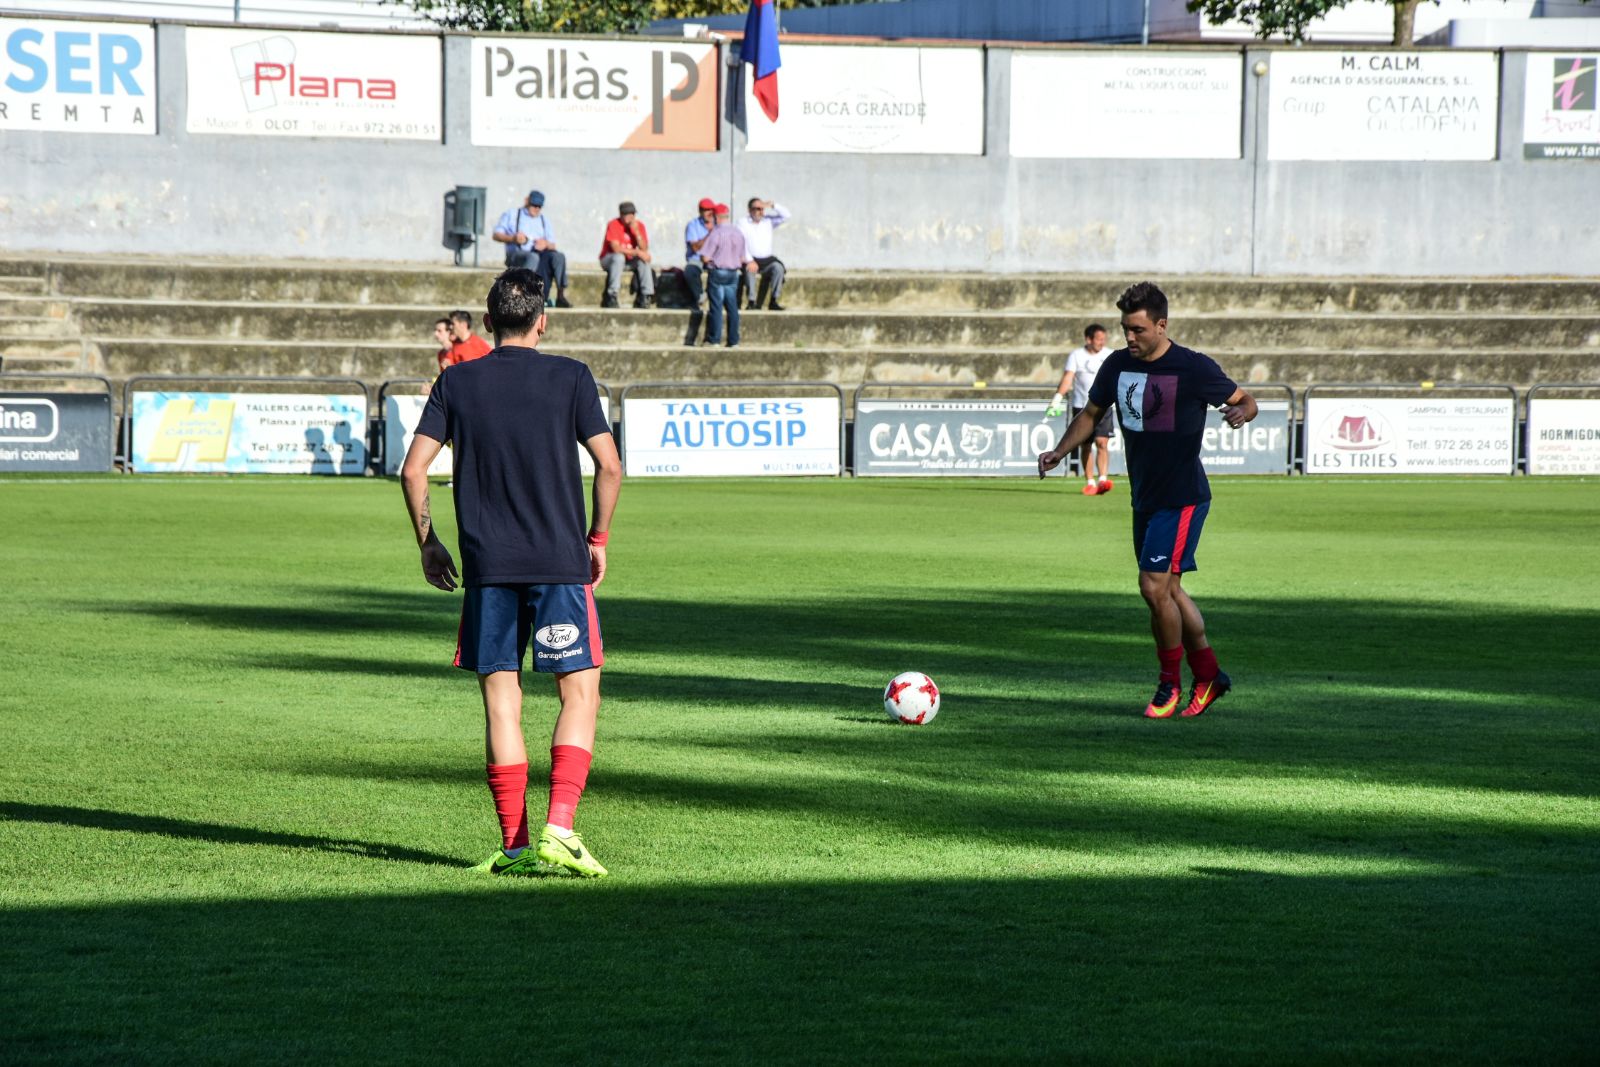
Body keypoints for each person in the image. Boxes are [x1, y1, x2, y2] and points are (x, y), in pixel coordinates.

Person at [400, 268, 622, 878]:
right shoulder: (571, 376)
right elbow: (609, 467)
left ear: (488, 321)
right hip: (559, 564)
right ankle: (560, 829)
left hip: (488, 568)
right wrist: (598, 539)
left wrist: (429, 544)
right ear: (542, 321)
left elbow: (413, 471)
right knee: (579, 691)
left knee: (502, 701)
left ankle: (516, 846)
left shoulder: (456, 381)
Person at [1038, 281, 1258, 720]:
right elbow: (1092, 413)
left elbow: (1246, 400)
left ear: (1161, 325)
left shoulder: (1192, 367)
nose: (1129, 337)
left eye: (1137, 329)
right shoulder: (1118, 364)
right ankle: (1209, 675)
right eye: (1125, 328)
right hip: (1146, 495)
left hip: (1182, 496)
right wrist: (1060, 451)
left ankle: (1168, 684)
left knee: (1152, 586)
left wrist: (1240, 412)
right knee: (1169, 591)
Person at [1047, 323, 1116, 496]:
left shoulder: (1109, 355)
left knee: (1102, 442)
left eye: (1103, 339)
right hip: (1082, 406)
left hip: (1104, 406)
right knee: (1086, 445)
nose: (1101, 342)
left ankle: (1103, 480)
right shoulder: (1076, 355)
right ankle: (1090, 482)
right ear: (1088, 339)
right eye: (1098, 339)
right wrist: (1057, 399)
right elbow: (1068, 378)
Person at [491, 190, 572, 309]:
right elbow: (496, 235)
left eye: (539, 206)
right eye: (534, 205)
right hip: (517, 254)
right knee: (533, 258)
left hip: (539, 254)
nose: (537, 208)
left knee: (558, 257)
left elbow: (553, 245)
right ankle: (526, 294)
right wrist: (513, 238)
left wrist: (545, 244)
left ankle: (560, 295)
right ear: (527, 201)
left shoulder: (544, 220)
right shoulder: (512, 214)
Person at [697, 203, 748, 348]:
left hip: (718, 272)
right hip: (733, 273)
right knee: (732, 308)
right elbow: (742, 258)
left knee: (716, 307)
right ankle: (734, 340)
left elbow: (706, 257)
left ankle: (714, 339)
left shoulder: (716, 233)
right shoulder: (738, 233)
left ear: (716, 217)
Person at [599, 201, 655, 309]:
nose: (631, 217)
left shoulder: (639, 226)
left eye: (633, 214)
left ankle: (646, 296)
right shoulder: (614, 224)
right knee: (619, 258)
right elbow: (616, 249)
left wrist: (637, 232)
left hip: (628, 260)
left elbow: (644, 249)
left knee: (643, 260)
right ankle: (612, 295)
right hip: (609, 259)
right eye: (628, 215)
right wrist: (637, 252)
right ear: (621, 215)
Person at [737, 198, 790, 311]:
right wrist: (750, 260)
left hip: (767, 259)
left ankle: (773, 301)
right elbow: (741, 243)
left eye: (762, 209)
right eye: (757, 209)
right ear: (750, 210)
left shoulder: (768, 221)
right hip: (751, 258)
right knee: (750, 270)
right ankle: (751, 302)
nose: (760, 211)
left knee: (778, 268)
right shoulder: (743, 222)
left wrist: (773, 205)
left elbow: (786, 216)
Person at [682, 197, 716, 309]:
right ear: (700, 211)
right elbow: (695, 248)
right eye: (705, 210)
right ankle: (700, 297)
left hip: (713, 259)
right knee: (690, 271)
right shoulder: (693, 225)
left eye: (711, 209)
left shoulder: (718, 224)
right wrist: (710, 234)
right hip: (697, 258)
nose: (709, 212)